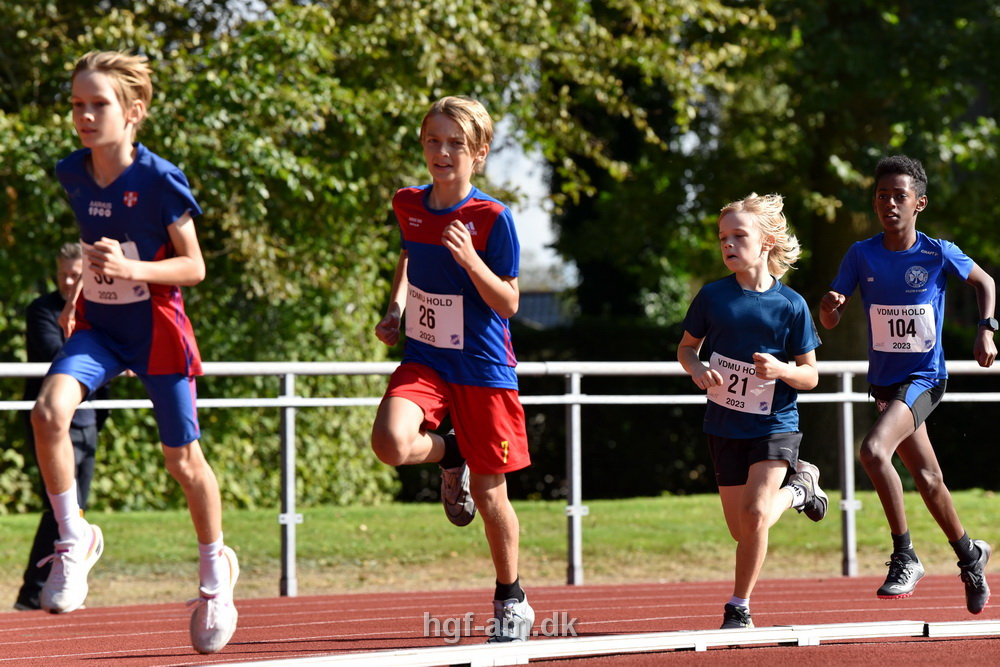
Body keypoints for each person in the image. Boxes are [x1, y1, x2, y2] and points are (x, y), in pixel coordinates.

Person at [29, 51, 238, 653]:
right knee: (47, 414)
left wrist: (133, 268)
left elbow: (194, 265)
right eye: (77, 104)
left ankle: (214, 576)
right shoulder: (72, 172)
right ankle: (75, 539)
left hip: (156, 330)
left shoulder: (158, 178)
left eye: (99, 104)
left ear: (134, 111)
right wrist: (82, 297)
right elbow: (94, 247)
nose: (86, 115)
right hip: (99, 326)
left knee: (183, 462)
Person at [371, 96, 534, 642]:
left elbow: (509, 302)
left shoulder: (493, 218)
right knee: (391, 442)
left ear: (478, 154)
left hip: (483, 369)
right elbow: (409, 255)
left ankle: (511, 596)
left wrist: (469, 260)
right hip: (425, 358)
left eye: (455, 144)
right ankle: (453, 452)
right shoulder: (406, 203)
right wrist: (396, 306)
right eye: (433, 141)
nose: (442, 152)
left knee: (490, 498)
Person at [820, 154, 996, 613]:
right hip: (884, 385)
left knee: (874, 450)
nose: (889, 204)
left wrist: (986, 328)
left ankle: (905, 554)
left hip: (924, 379)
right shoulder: (861, 254)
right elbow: (832, 317)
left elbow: (986, 282)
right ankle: (970, 555)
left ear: (919, 203)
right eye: (882, 196)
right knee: (930, 478)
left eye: (899, 196)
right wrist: (830, 308)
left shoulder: (938, 252)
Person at [678, 192, 828, 630]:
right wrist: (699, 369)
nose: (728, 244)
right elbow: (687, 349)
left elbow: (811, 376)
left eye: (738, 235)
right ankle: (803, 488)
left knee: (757, 515)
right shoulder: (712, 298)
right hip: (724, 422)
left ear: (765, 241)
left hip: (775, 424)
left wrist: (783, 369)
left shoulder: (792, 305)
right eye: (722, 237)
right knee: (741, 530)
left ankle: (738, 606)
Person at [14, 243, 110, 611]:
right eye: (63, 275)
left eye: (75, 275)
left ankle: (61, 582)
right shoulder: (43, 309)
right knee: (59, 509)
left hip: (88, 420)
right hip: (54, 420)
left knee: (76, 507)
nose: (68, 281)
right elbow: (56, 352)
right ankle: (32, 593)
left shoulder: (100, 307)